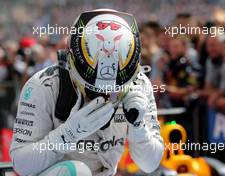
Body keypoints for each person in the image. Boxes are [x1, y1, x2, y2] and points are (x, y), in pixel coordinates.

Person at [9, 9, 164, 176]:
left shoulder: (139, 84)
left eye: (114, 89)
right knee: (79, 171)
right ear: (70, 60)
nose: (104, 95)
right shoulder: (43, 85)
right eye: (92, 89)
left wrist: (138, 126)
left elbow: (150, 164)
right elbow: (21, 164)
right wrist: (68, 134)